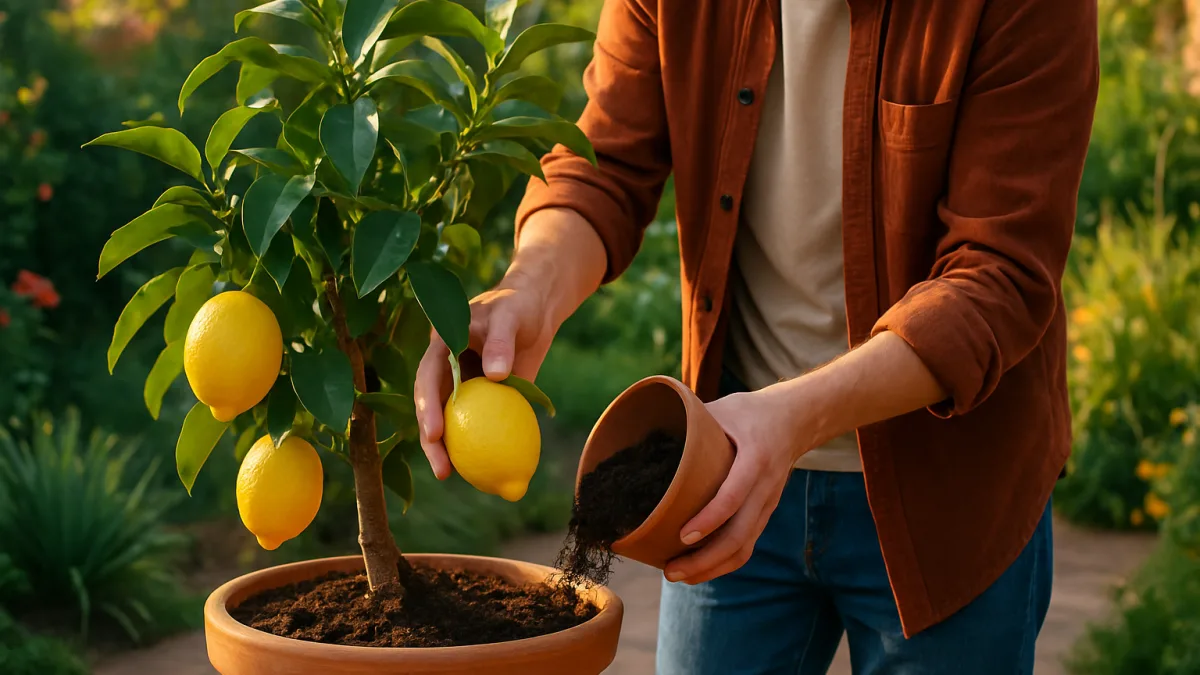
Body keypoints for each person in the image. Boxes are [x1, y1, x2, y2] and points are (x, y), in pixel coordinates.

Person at [414, 0, 1099, 672]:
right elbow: (608, 165)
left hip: (949, 492)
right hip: (727, 462)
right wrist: (529, 286)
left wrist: (794, 418)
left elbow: (997, 275)